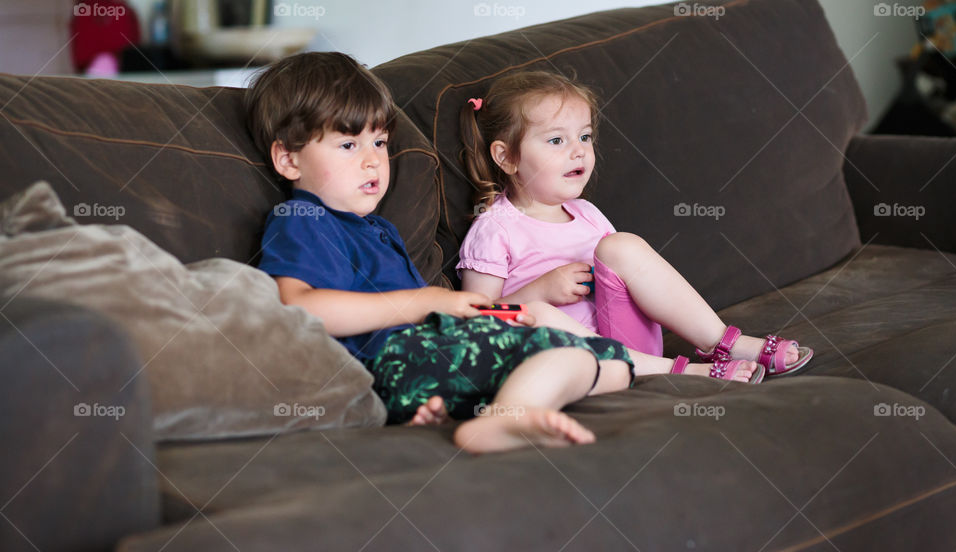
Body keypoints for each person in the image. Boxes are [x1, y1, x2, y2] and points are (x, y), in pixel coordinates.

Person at [246, 52, 652, 455]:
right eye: (349, 144)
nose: (373, 161)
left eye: (381, 142)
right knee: (567, 350)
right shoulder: (303, 218)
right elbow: (299, 308)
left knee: (614, 365)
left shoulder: (378, 229)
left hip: (433, 357)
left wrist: (470, 311)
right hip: (396, 361)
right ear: (288, 159)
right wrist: (429, 301)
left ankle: (477, 411)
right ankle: (507, 418)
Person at [457, 70, 813, 379]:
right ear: (506, 157)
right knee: (537, 313)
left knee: (620, 246)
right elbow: (474, 320)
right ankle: (682, 372)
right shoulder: (495, 228)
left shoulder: (587, 214)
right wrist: (540, 291)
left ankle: (722, 342)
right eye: (556, 140)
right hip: (566, 360)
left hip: (628, 340)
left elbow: (630, 285)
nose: (579, 150)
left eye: (584, 136)